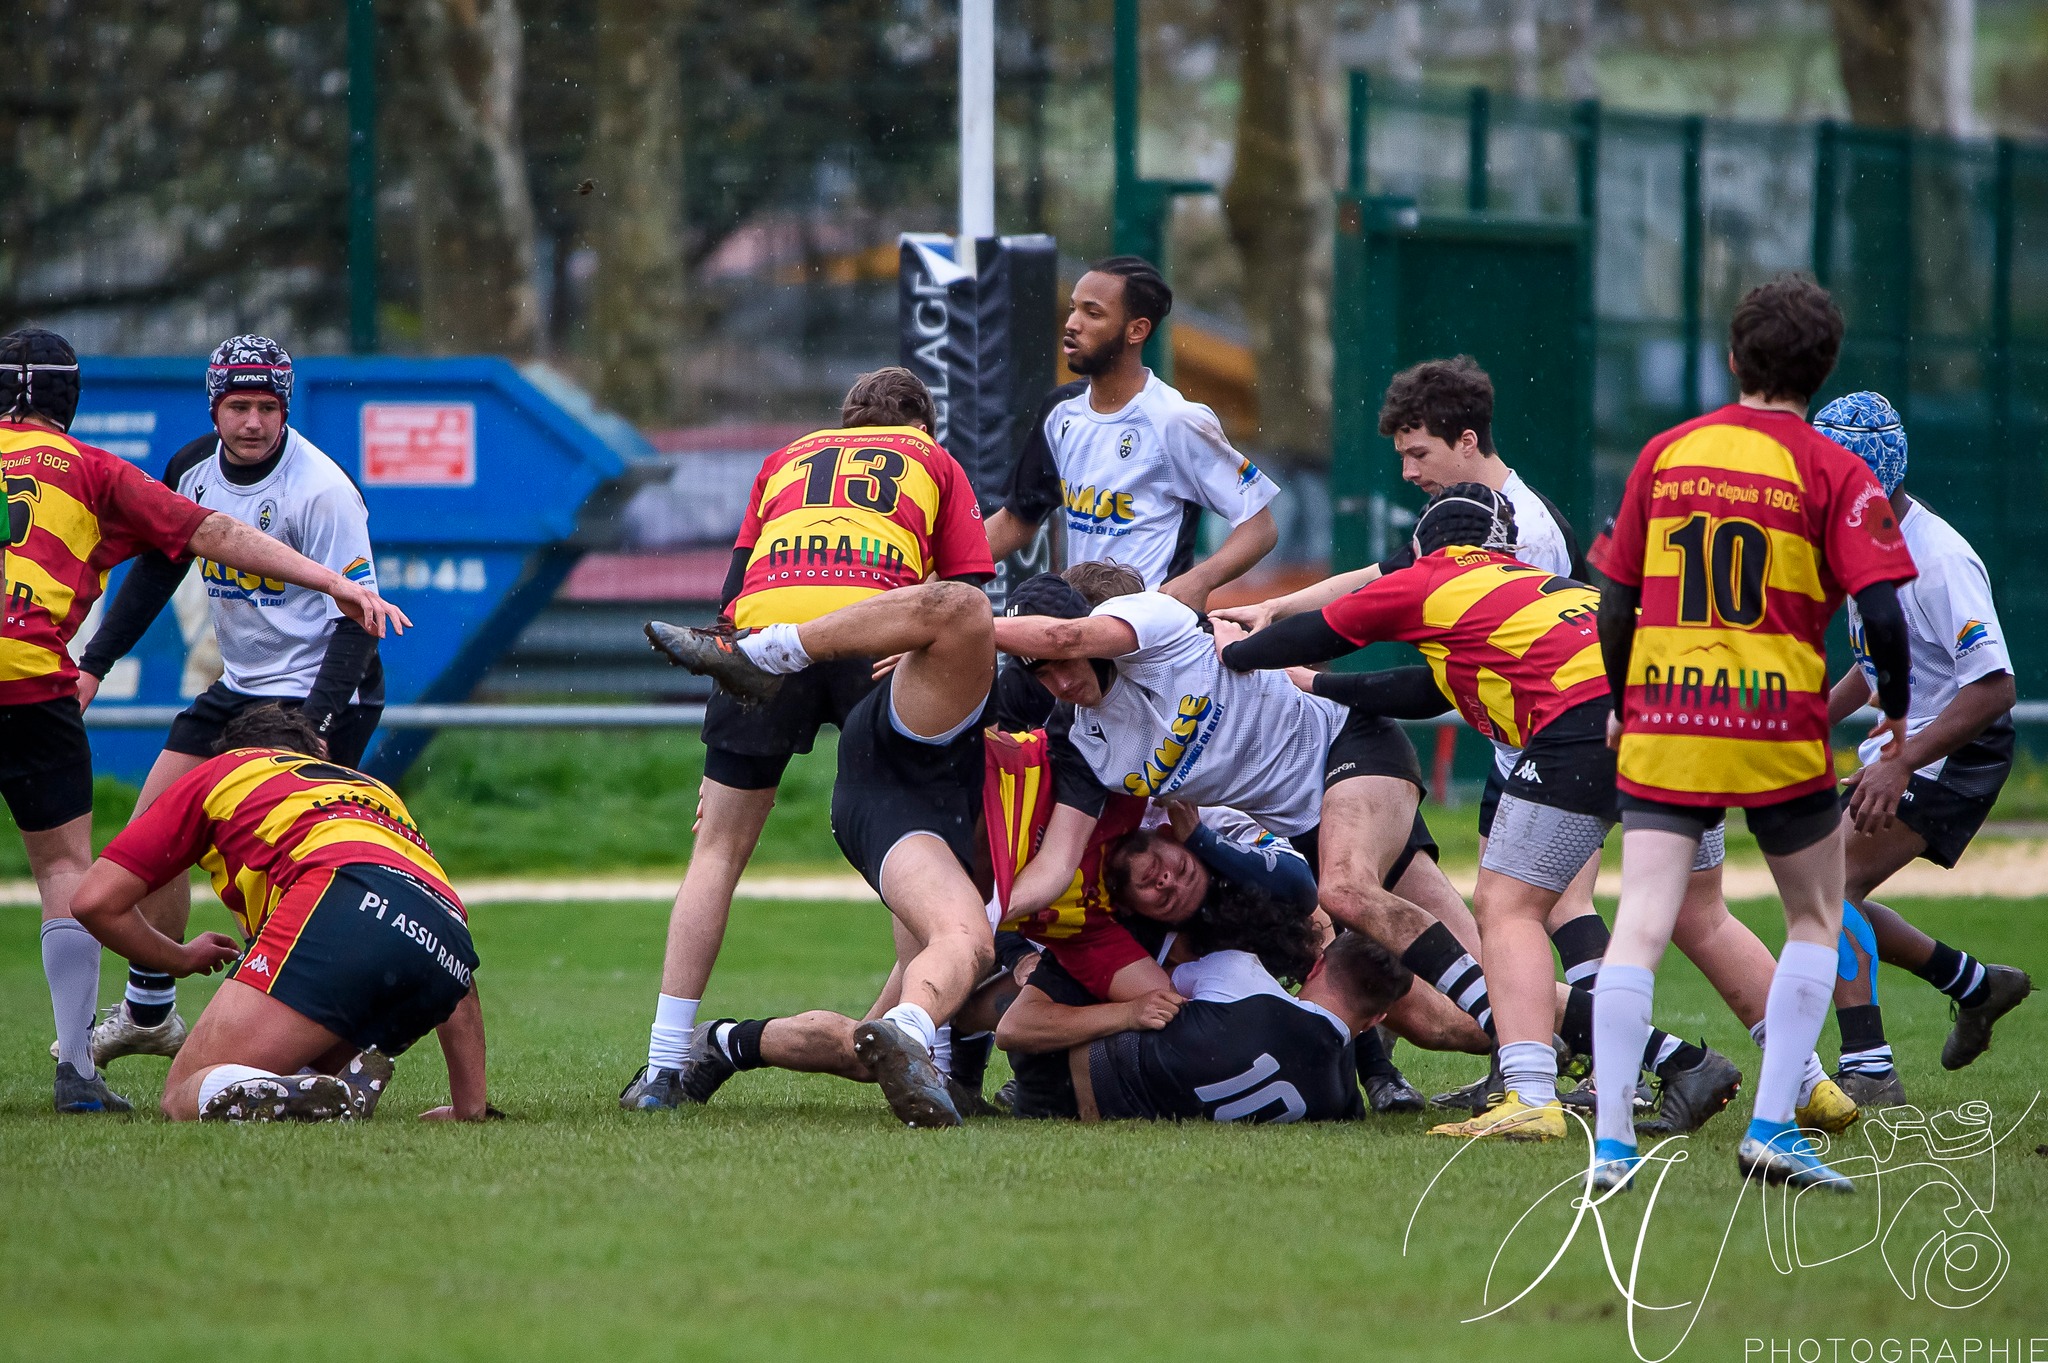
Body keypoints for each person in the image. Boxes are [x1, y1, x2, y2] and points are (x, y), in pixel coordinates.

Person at [1221, 484, 1744, 1142]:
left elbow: (1325, 628)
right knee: (1703, 911)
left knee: (1508, 906)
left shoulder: (1430, 576)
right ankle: (1801, 1082)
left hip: (1588, 717)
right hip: (1683, 707)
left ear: (1419, 548)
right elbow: (1426, 686)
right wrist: (1315, 682)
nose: (1407, 467)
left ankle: (1529, 1092)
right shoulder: (1523, 586)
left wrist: (1229, 652)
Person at [0, 327, 409, 1115]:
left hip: (323, 694)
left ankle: (312, 1037)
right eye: (237, 405)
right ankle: (152, 1009)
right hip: (240, 686)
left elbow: (359, 619)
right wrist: (94, 666)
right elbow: (161, 563)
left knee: (276, 863)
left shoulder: (321, 489)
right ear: (214, 406)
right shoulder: (191, 467)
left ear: (285, 409)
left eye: (266, 407)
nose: (252, 422)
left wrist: (315, 725)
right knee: (153, 826)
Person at [1586, 275, 1918, 1193]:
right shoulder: (1832, 469)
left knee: (1642, 922)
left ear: (1733, 358)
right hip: (1775, 721)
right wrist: (1891, 706)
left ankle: (1612, 1146)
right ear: (1823, 369)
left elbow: (1618, 597)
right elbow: (1884, 613)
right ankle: (1773, 1128)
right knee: (1814, 913)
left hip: (1666, 713)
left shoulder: (1666, 453)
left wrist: (1623, 696)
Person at [621, 367, 993, 1112]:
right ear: (921, 425)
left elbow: (731, 597)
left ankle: (663, 1064)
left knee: (717, 850)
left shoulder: (786, 457)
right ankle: (939, 1059)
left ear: (843, 423)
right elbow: (967, 584)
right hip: (870, 633)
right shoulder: (934, 460)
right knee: (918, 833)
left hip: (763, 631)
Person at [991, 570, 1502, 1071]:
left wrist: (962, 623)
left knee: (1344, 891)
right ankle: (1547, 1040)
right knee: (1447, 1020)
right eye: (1041, 672)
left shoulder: (1159, 628)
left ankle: (1486, 1062)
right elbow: (1054, 856)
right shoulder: (1084, 741)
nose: (1060, 681)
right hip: (1306, 826)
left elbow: (1068, 633)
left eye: (1066, 660)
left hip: (1344, 749)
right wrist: (978, 915)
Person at [646, 576, 1000, 1127]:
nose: (1067, 680)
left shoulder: (1106, 747)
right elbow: (968, 603)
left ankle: (727, 1043)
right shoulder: (1042, 693)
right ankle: (927, 1047)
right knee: (972, 947)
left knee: (866, 1051)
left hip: (991, 908)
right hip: (911, 824)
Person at [65, 705, 488, 1122]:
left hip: (343, 896)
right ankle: (323, 1081)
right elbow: (457, 969)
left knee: (182, 1094)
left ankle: (305, 1082)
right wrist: (469, 1106)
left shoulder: (228, 769)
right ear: (315, 754)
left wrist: (178, 959)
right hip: (445, 941)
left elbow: (93, 901)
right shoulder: (374, 790)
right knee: (282, 1067)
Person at [1812, 392, 2030, 1106]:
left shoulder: (1939, 560)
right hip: (1910, 742)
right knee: (1824, 888)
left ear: (1864, 476)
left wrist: (1903, 760)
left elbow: (1993, 687)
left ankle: (1870, 1068)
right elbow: (1873, 663)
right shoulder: (1866, 538)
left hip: (1956, 748)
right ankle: (1977, 985)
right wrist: (1812, 716)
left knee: (1826, 882)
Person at [983, 256, 1279, 611]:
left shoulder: (1176, 420)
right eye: (1074, 308)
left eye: (1092, 314)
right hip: (1082, 632)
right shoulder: (1061, 410)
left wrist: (1200, 579)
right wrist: (934, 576)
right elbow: (1016, 521)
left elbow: (1259, 528)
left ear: (1136, 330)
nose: (1072, 323)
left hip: (1156, 641)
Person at [1001, 925, 1413, 1125]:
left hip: (1054, 1074)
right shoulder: (1342, 1103)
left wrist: (1127, 1015)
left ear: (1318, 964)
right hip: (1073, 1106)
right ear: (1378, 1018)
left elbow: (1148, 988)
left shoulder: (1241, 975)